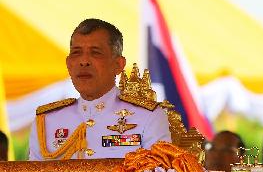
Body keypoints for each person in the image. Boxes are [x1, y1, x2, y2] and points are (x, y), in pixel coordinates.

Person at [29, 18, 171, 160]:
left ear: (118, 65)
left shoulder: (149, 117)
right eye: (76, 52)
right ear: (68, 64)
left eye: (95, 52)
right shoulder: (46, 121)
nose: (84, 61)